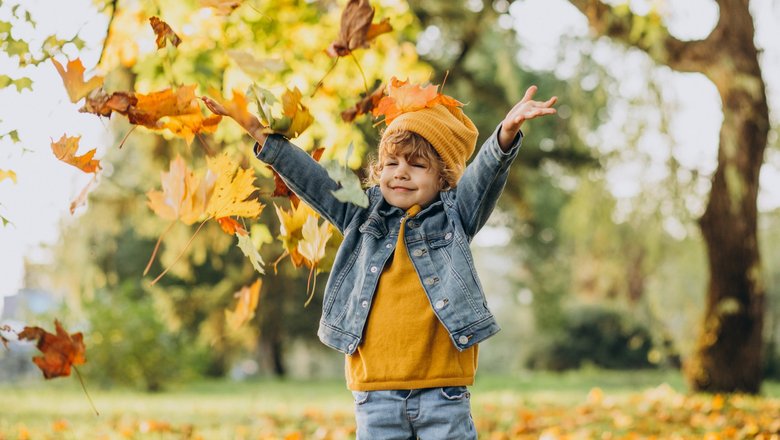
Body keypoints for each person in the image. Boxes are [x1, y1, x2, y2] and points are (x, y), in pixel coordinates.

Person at [203, 81, 557, 439]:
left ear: (443, 177)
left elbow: (484, 178)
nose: (400, 172)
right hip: (375, 395)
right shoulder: (360, 214)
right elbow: (312, 178)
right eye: (391, 163)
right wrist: (253, 128)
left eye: (417, 165)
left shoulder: (455, 216)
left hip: (444, 393)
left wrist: (506, 133)